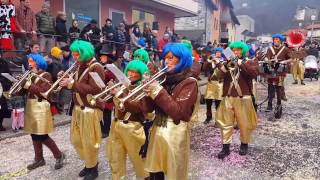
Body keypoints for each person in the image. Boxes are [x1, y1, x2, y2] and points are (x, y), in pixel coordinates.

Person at [143, 43, 198, 180]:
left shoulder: (189, 82)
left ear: (182, 59)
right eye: (165, 58)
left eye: (171, 58)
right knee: (155, 170)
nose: (166, 61)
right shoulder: (164, 79)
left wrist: (157, 91)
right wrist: (146, 92)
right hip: (157, 128)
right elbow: (148, 109)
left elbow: (178, 113)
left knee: (175, 171)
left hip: (175, 132)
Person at [59, 40, 105, 180]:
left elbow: (97, 89)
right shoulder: (80, 65)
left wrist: (72, 84)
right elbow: (77, 83)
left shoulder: (96, 67)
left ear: (85, 54)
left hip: (90, 109)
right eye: (73, 54)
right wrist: (66, 77)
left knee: (90, 141)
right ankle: (90, 163)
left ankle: (93, 168)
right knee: (76, 140)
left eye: (77, 54)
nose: (74, 57)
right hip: (78, 109)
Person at [107, 59, 152, 179]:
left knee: (139, 161)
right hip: (116, 125)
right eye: (129, 71)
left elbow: (137, 108)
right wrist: (110, 91)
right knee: (115, 159)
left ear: (141, 74)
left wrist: (120, 95)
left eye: (135, 72)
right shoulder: (122, 85)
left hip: (133, 127)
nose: (131, 74)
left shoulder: (144, 88)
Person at [19, 53, 65, 170]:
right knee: (34, 134)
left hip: (40, 106)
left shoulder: (46, 75)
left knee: (42, 135)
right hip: (31, 106)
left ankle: (59, 155)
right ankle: (39, 159)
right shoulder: (30, 75)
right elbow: (23, 92)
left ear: (38, 62)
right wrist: (20, 85)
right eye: (29, 61)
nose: (29, 63)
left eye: (32, 61)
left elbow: (44, 92)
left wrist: (29, 85)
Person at [215, 41, 258, 159]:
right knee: (226, 123)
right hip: (228, 97)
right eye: (234, 50)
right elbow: (218, 76)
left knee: (244, 123)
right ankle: (225, 147)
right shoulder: (226, 62)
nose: (236, 52)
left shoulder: (249, 61)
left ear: (243, 51)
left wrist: (240, 63)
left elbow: (254, 73)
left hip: (243, 97)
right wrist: (224, 66)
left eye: (238, 50)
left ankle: (244, 144)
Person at [265, 34, 290, 113]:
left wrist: (284, 61)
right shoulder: (270, 49)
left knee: (278, 87)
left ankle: (279, 103)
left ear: (281, 41)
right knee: (270, 87)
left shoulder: (285, 49)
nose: (275, 41)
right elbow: (266, 57)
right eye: (274, 40)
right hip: (271, 70)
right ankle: (269, 104)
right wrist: (267, 60)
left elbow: (291, 59)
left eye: (277, 40)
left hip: (280, 70)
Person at [204, 47, 225, 124]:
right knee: (208, 101)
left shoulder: (223, 61)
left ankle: (218, 119)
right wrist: (208, 61)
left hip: (219, 84)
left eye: (219, 52)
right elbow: (204, 69)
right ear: (215, 53)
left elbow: (224, 71)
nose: (218, 53)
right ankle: (208, 117)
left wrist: (217, 62)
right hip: (211, 83)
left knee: (218, 103)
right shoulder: (211, 61)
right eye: (217, 52)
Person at [98, 48, 116, 138]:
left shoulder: (111, 67)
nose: (101, 58)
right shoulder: (100, 66)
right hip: (101, 91)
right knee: (98, 112)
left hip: (109, 91)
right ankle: (100, 129)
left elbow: (112, 77)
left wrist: (103, 73)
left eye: (103, 56)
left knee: (107, 112)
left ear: (108, 58)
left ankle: (106, 131)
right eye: (101, 56)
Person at [0, 52, 12, 131]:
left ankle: (0, 124)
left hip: (3, 87)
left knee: (3, 108)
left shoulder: (4, 62)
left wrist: (8, 83)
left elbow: (9, 74)